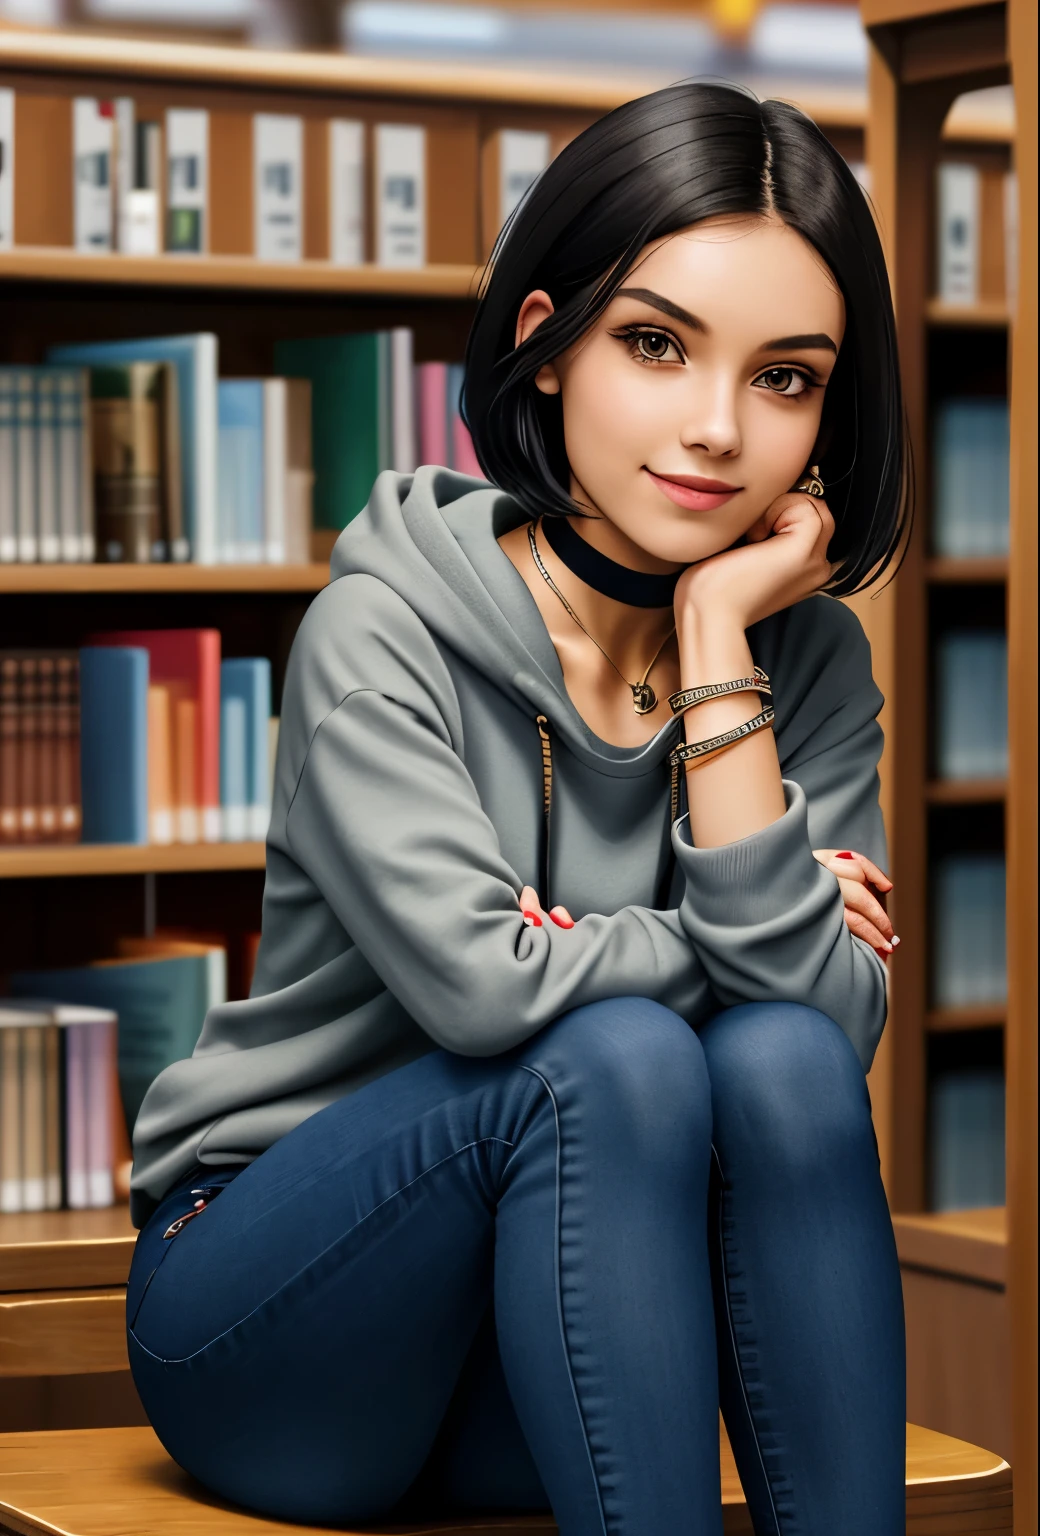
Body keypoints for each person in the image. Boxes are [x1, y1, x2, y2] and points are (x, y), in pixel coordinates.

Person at [126, 81, 910, 1536]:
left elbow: (828, 1028)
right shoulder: (386, 630)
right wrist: (747, 908)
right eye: (656, 345)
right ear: (548, 344)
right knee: (609, 1058)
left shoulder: (802, 656)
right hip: (281, 1328)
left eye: (786, 378)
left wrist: (719, 630)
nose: (719, 430)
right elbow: (489, 992)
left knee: (782, 1074)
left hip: (561, 1342)